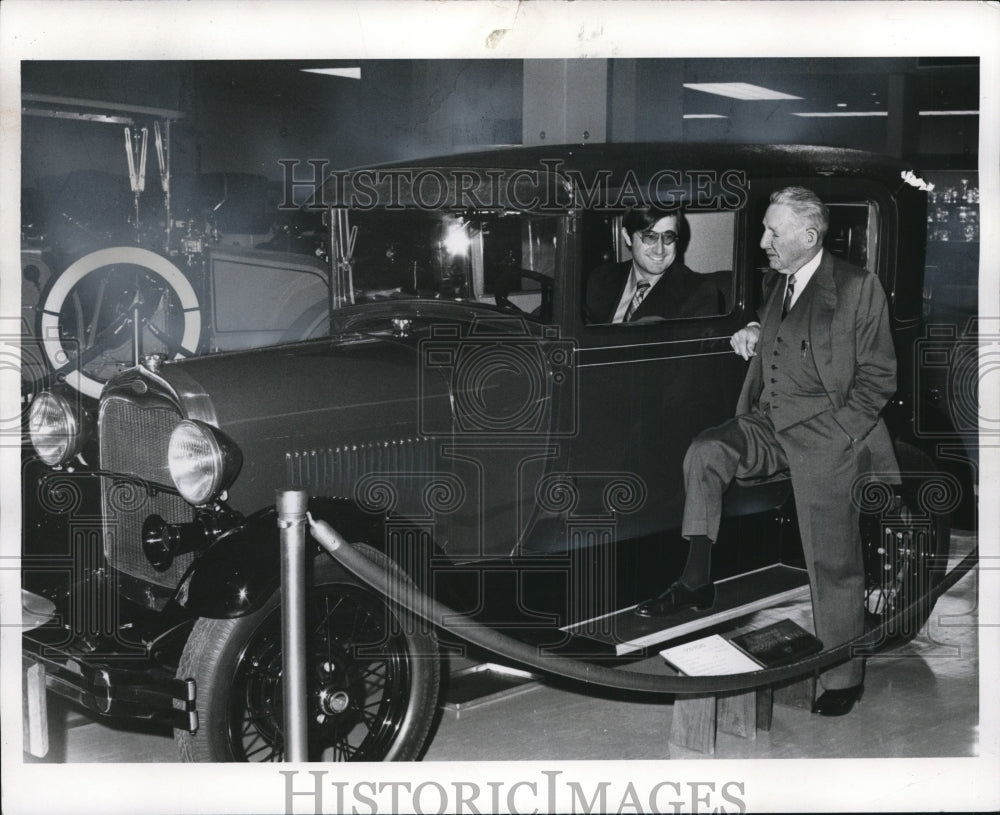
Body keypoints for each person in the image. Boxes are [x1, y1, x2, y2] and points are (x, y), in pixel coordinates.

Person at [635, 186, 900, 717]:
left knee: (833, 561)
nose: (763, 242)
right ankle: (695, 581)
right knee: (706, 451)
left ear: (809, 235)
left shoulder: (856, 286)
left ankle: (842, 673)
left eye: (773, 232)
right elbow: (779, 339)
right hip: (770, 425)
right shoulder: (777, 282)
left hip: (828, 436)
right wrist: (753, 327)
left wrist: (842, 434)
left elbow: (879, 376)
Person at [585, 205, 723, 323]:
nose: (660, 250)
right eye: (650, 237)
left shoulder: (698, 293)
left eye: (668, 237)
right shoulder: (600, 279)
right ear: (627, 237)